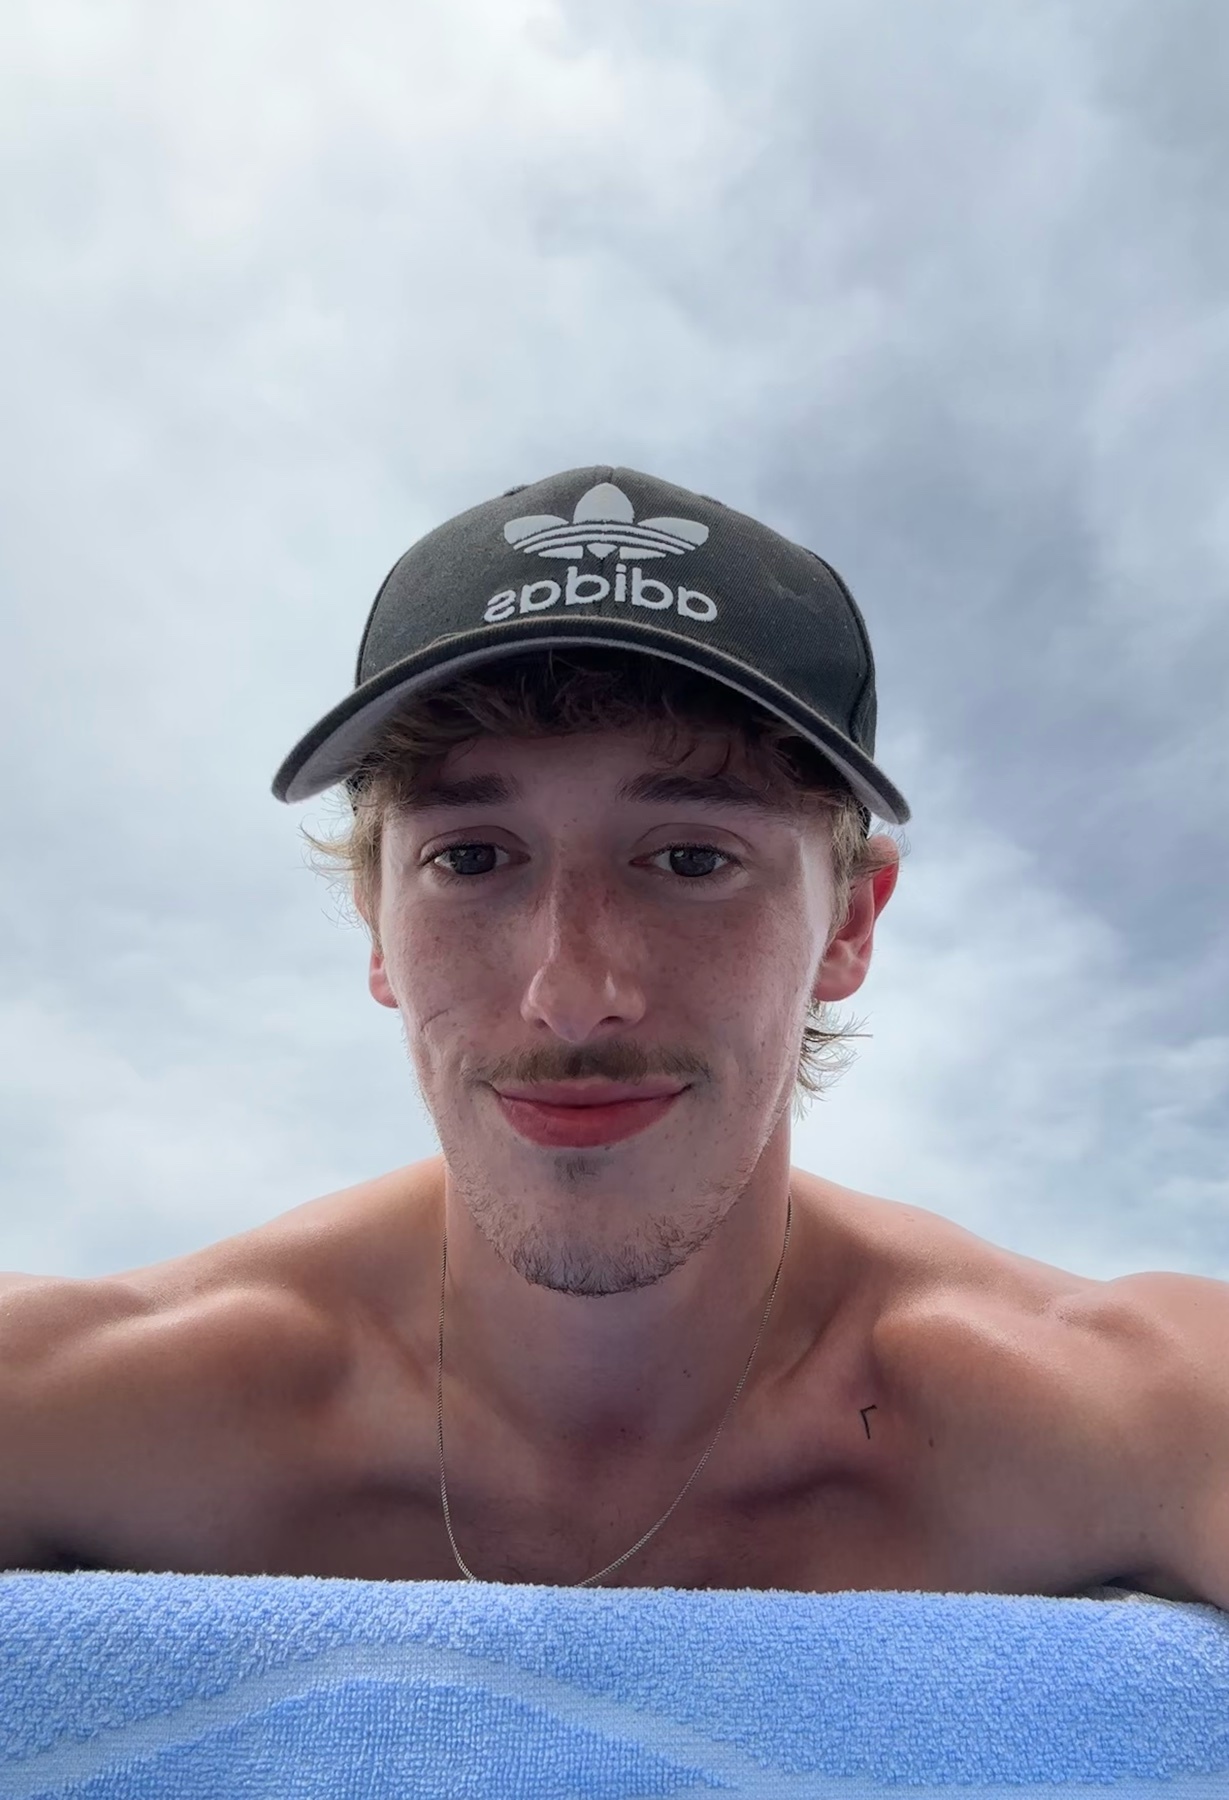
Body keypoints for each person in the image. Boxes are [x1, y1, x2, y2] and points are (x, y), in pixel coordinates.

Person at [2, 467, 1227, 1604]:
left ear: (849, 925)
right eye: (470, 859)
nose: (571, 992)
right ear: (376, 923)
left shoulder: (1132, 1411)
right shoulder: (91, 1400)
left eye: (690, 859)